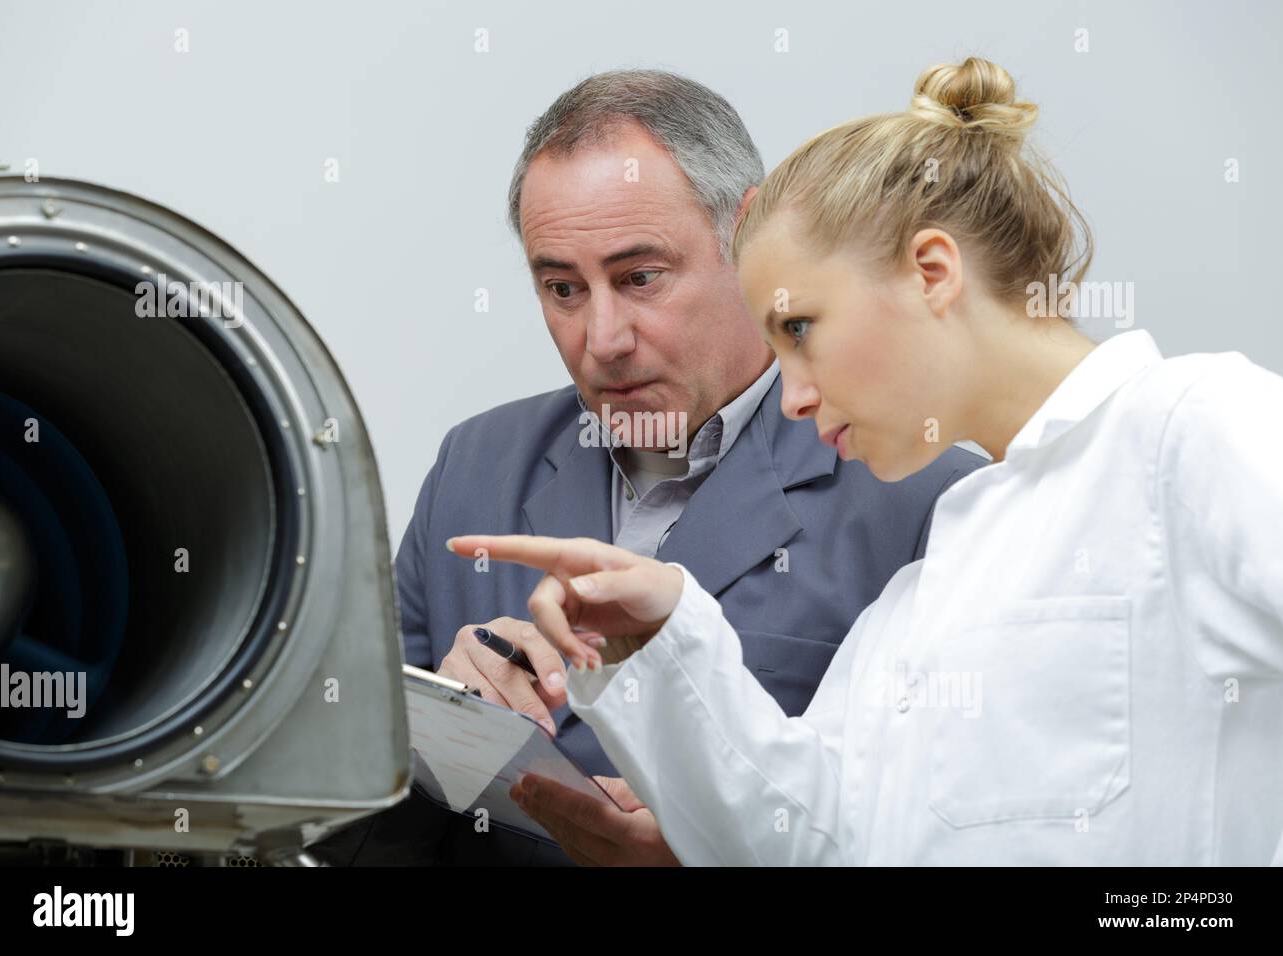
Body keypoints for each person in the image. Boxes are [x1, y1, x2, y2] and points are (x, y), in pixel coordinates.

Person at [447, 57, 1283, 865]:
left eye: (800, 330)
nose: (795, 397)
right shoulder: (938, 570)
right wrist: (659, 638)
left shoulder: (1192, 428)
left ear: (931, 274)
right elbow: (806, 842)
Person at [316, 69, 981, 866]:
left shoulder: (926, 502)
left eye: (639, 278)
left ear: (751, 237)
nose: (602, 339)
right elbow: (346, 810)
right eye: (562, 287)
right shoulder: (476, 464)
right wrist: (444, 728)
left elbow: (941, 836)